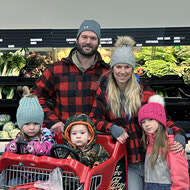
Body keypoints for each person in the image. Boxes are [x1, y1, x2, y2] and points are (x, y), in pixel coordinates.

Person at [89, 36, 187, 190]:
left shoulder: (144, 91)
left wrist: (180, 134)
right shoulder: (105, 91)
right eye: (118, 67)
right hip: (127, 161)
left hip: (151, 158)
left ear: (132, 68)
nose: (122, 72)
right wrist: (111, 127)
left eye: (127, 67)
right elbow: (93, 119)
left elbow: (163, 118)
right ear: (112, 68)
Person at [31, 20, 110, 132]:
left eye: (93, 38)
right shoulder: (56, 69)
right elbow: (35, 96)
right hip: (64, 137)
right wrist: (52, 121)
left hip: (97, 138)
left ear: (98, 42)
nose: (88, 42)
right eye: (84, 37)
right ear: (77, 39)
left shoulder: (107, 72)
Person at [138, 94, 189, 189]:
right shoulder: (149, 143)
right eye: (143, 122)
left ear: (160, 121)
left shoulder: (172, 144)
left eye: (150, 119)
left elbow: (180, 178)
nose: (146, 124)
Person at [5, 94, 56, 186]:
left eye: (36, 123)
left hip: (44, 178)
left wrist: (36, 147)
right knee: (11, 183)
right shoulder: (20, 136)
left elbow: (50, 147)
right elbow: (10, 149)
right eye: (27, 124)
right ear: (21, 125)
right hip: (25, 177)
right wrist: (11, 147)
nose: (32, 127)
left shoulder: (45, 133)